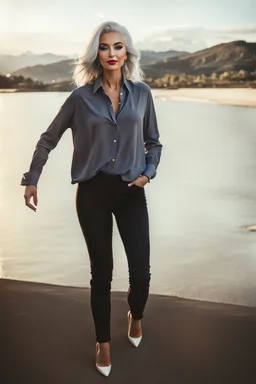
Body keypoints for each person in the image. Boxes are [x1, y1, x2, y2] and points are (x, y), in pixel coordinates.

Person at [21, 21, 162, 377]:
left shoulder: (143, 94)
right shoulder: (80, 98)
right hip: (93, 193)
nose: (112, 53)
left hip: (131, 191)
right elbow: (47, 138)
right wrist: (33, 178)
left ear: (127, 51)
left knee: (141, 274)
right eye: (104, 47)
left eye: (118, 46)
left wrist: (149, 171)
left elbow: (154, 142)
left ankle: (136, 314)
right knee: (102, 274)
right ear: (95, 54)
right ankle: (102, 342)